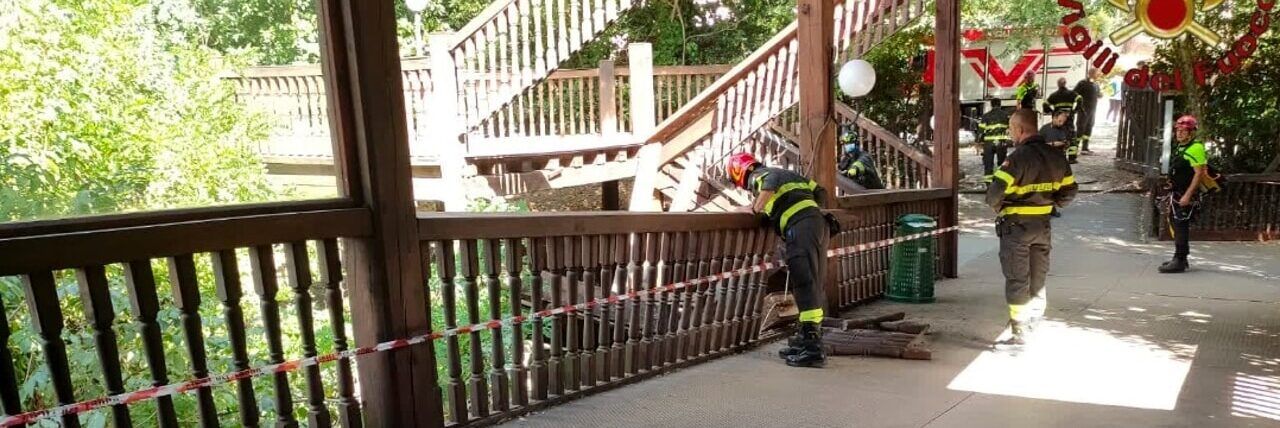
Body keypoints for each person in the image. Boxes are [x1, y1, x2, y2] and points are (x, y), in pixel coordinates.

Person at [727, 152, 831, 367]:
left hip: (801, 227)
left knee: (804, 281)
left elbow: (769, 182)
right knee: (808, 280)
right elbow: (820, 191)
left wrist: (753, 208)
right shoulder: (790, 174)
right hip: (814, 225)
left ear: (739, 172)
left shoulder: (763, 175)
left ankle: (812, 348)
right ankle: (805, 339)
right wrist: (812, 210)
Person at [986, 109, 1077, 347]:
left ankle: (1019, 331)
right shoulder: (1057, 156)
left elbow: (993, 195)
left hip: (1016, 228)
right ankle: (1033, 322)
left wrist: (998, 207)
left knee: (1018, 279)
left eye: (1010, 128)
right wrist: (1053, 202)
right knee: (1038, 278)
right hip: (1043, 226)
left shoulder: (1017, 158)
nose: (1009, 132)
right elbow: (1070, 191)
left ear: (1020, 129)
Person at [1160, 115, 1215, 273]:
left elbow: (1198, 174)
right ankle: (1181, 257)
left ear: (1191, 133)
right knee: (1176, 222)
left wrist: (1188, 195)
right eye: (1178, 130)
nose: (1179, 134)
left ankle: (1179, 260)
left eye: (1184, 131)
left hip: (1186, 193)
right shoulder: (1181, 147)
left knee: (1181, 224)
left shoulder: (1195, 148)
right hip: (1177, 191)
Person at [977, 98, 1012, 183]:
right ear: (1000, 104)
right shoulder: (1006, 115)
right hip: (1001, 142)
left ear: (991, 105)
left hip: (988, 144)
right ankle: (1001, 183)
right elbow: (1010, 129)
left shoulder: (985, 116)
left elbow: (981, 131)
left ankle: (988, 185)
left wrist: (978, 142)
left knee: (988, 165)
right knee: (1002, 164)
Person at [1073, 68, 1103, 157]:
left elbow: (1098, 94)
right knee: (1080, 128)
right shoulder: (1082, 83)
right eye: (1096, 73)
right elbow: (1074, 93)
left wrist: (1100, 95)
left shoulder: (1096, 84)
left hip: (1093, 110)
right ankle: (1074, 148)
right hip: (1083, 109)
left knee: (1089, 127)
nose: (1098, 75)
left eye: (1097, 74)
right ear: (1090, 73)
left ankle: (1085, 148)